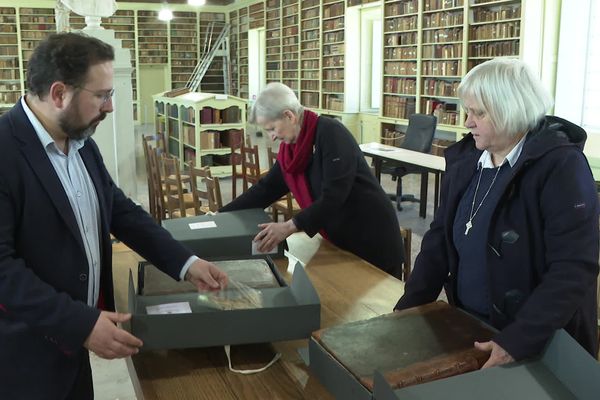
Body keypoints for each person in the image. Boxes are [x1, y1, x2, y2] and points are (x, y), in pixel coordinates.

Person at [0, 32, 228, 399]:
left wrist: (186, 263)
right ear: (59, 94)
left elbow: (118, 210)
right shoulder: (5, 151)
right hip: (27, 356)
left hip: (75, 349)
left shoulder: (80, 141)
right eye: (102, 95)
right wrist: (81, 324)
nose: (110, 107)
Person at [395, 58, 599, 367]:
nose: (467, 122)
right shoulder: (467, 159)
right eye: (467, 111)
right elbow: (438, 239)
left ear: (512, 111)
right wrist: (409, 308)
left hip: (536, 339)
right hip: (470, 325)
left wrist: (516, 341)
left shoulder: (561, 167)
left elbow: (573, 267)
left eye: (478, 113)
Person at [220, 83, 404, 277]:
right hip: (339, 241)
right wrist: (220, 215)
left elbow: (334, 196)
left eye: (272, 128)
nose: (271, 137)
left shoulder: (331, 133)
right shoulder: (291, 151)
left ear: (289, 116)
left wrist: (288, 226)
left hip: (371, 240)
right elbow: (266, 189)